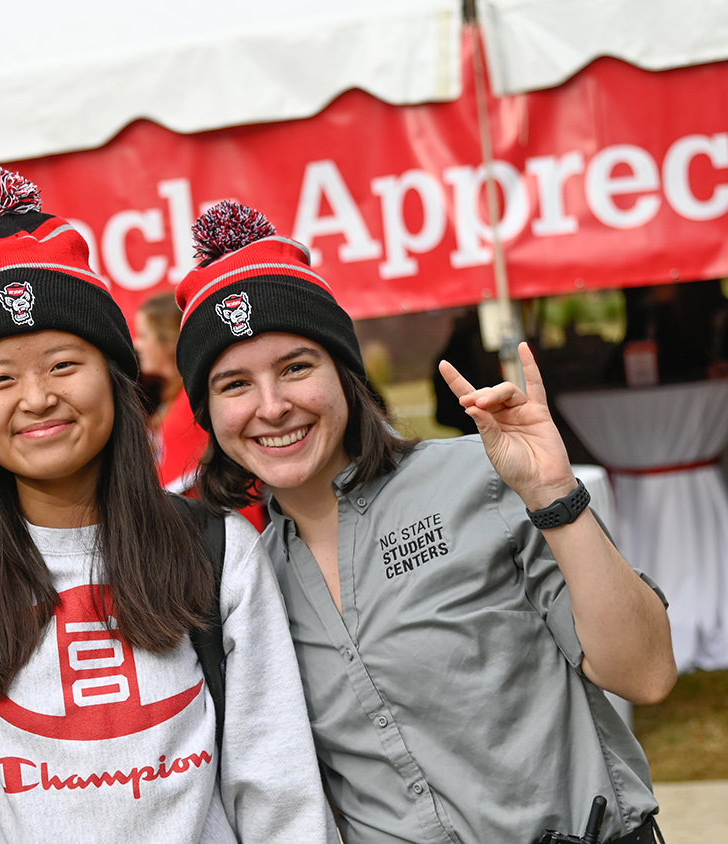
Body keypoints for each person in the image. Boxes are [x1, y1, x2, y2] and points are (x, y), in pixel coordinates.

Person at [0, 169, 335, 843]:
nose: (37, 397)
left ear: (117, 380)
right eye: (0, 378)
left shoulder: (216, 550)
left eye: (62, 365)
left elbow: (278, 792)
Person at [173, 201, 677, 844]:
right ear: (208, 413)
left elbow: (647, 674)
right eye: (234, 384)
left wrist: (555, 495)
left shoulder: (482, 480)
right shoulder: (248, 577)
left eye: (297, 368)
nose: (272, 407)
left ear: (345, 375)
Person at [134, 292, 208, 493]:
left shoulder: (192, 400)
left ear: (168, 342)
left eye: (143, 335)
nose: (137, 345)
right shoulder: (169, 397)